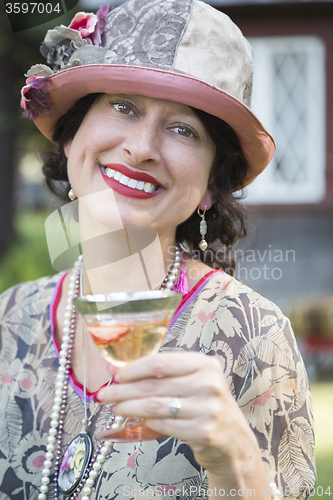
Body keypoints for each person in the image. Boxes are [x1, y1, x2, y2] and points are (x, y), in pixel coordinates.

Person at [0, 0, 315, 499]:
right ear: (72, 135)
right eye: (123, 106)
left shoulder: (252, 337)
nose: (142, 146)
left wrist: (236, 464)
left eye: (183, 129)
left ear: (212, 185)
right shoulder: (10, 318)